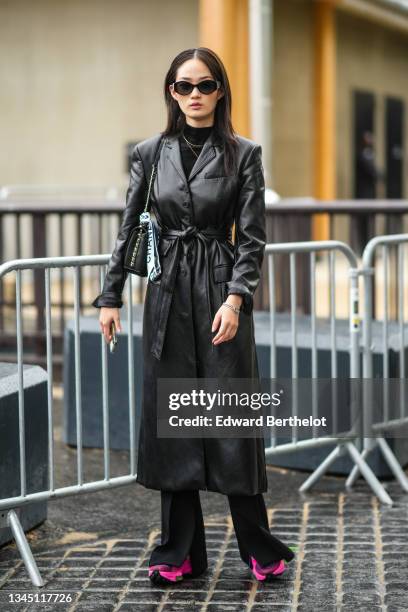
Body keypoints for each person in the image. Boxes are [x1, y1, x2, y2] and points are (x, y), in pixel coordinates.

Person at [92, 47, 295, 585]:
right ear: (171, 93)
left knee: (229, 419)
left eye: (204, 86)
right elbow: (130, 225)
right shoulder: (149, 152)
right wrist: (110, 296)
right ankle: (178, 552)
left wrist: (237, 298)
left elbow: (252, 239)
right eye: (183, 87)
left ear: (220, 90)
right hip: (165, 295)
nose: (194, 96)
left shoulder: (243, 153)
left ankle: (258, 546)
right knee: (175, 424)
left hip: (221, 291)